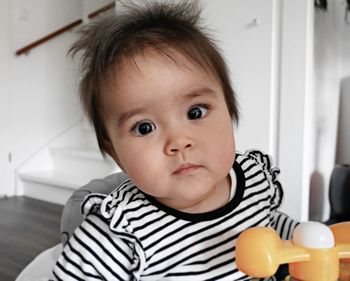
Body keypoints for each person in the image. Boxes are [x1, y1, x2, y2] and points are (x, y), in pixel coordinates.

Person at [52, 1, 299, 280]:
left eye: (196, 112)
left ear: (229, 110)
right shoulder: (119, 233)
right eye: (144, 127)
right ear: (115, 153)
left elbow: (270, 225)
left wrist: (304, 239)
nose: (179, 142)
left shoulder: (254, 180)